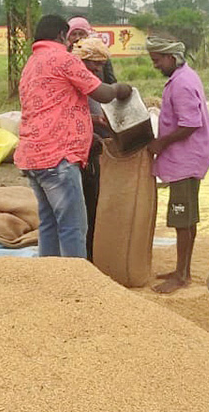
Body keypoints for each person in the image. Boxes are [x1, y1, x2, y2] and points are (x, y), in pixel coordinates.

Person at [16, 15, 132, 258]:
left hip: (33, 156)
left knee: (49, 224)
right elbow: (101, 93)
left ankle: (50, 278)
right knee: (73, 227)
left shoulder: (31, 63)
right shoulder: (63, 59)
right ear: (61, 35)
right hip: (58, 157)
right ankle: (76, 288)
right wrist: (121, 89)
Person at [145, 37, 209, 294]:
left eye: (157, 60)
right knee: (187, 217)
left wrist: (161, 143)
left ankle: (182, 275)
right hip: (188, 156)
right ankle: (181, 269)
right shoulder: (184, 76)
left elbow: (190, 123)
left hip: (186, 158)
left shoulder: (181, 84)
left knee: (181, 216)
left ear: (171, 58)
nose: (155, 65)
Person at [75, 37, 115, 260]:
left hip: (92, 149)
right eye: (94, 64)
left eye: (101, 65)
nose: (98, 69)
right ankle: (83, 260)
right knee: (81, 212)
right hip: (79, 152)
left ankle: (90, 255)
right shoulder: (75, 79)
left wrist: (95, 120)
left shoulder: (92, 78)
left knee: (92, 207)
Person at [67, 16, 116, 83]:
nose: (77, 38)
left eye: (81, 34)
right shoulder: (65, 56)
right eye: (73, 34)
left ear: (88, 35)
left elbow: (111, 81)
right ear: (68, 37)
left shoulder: (100, 54)